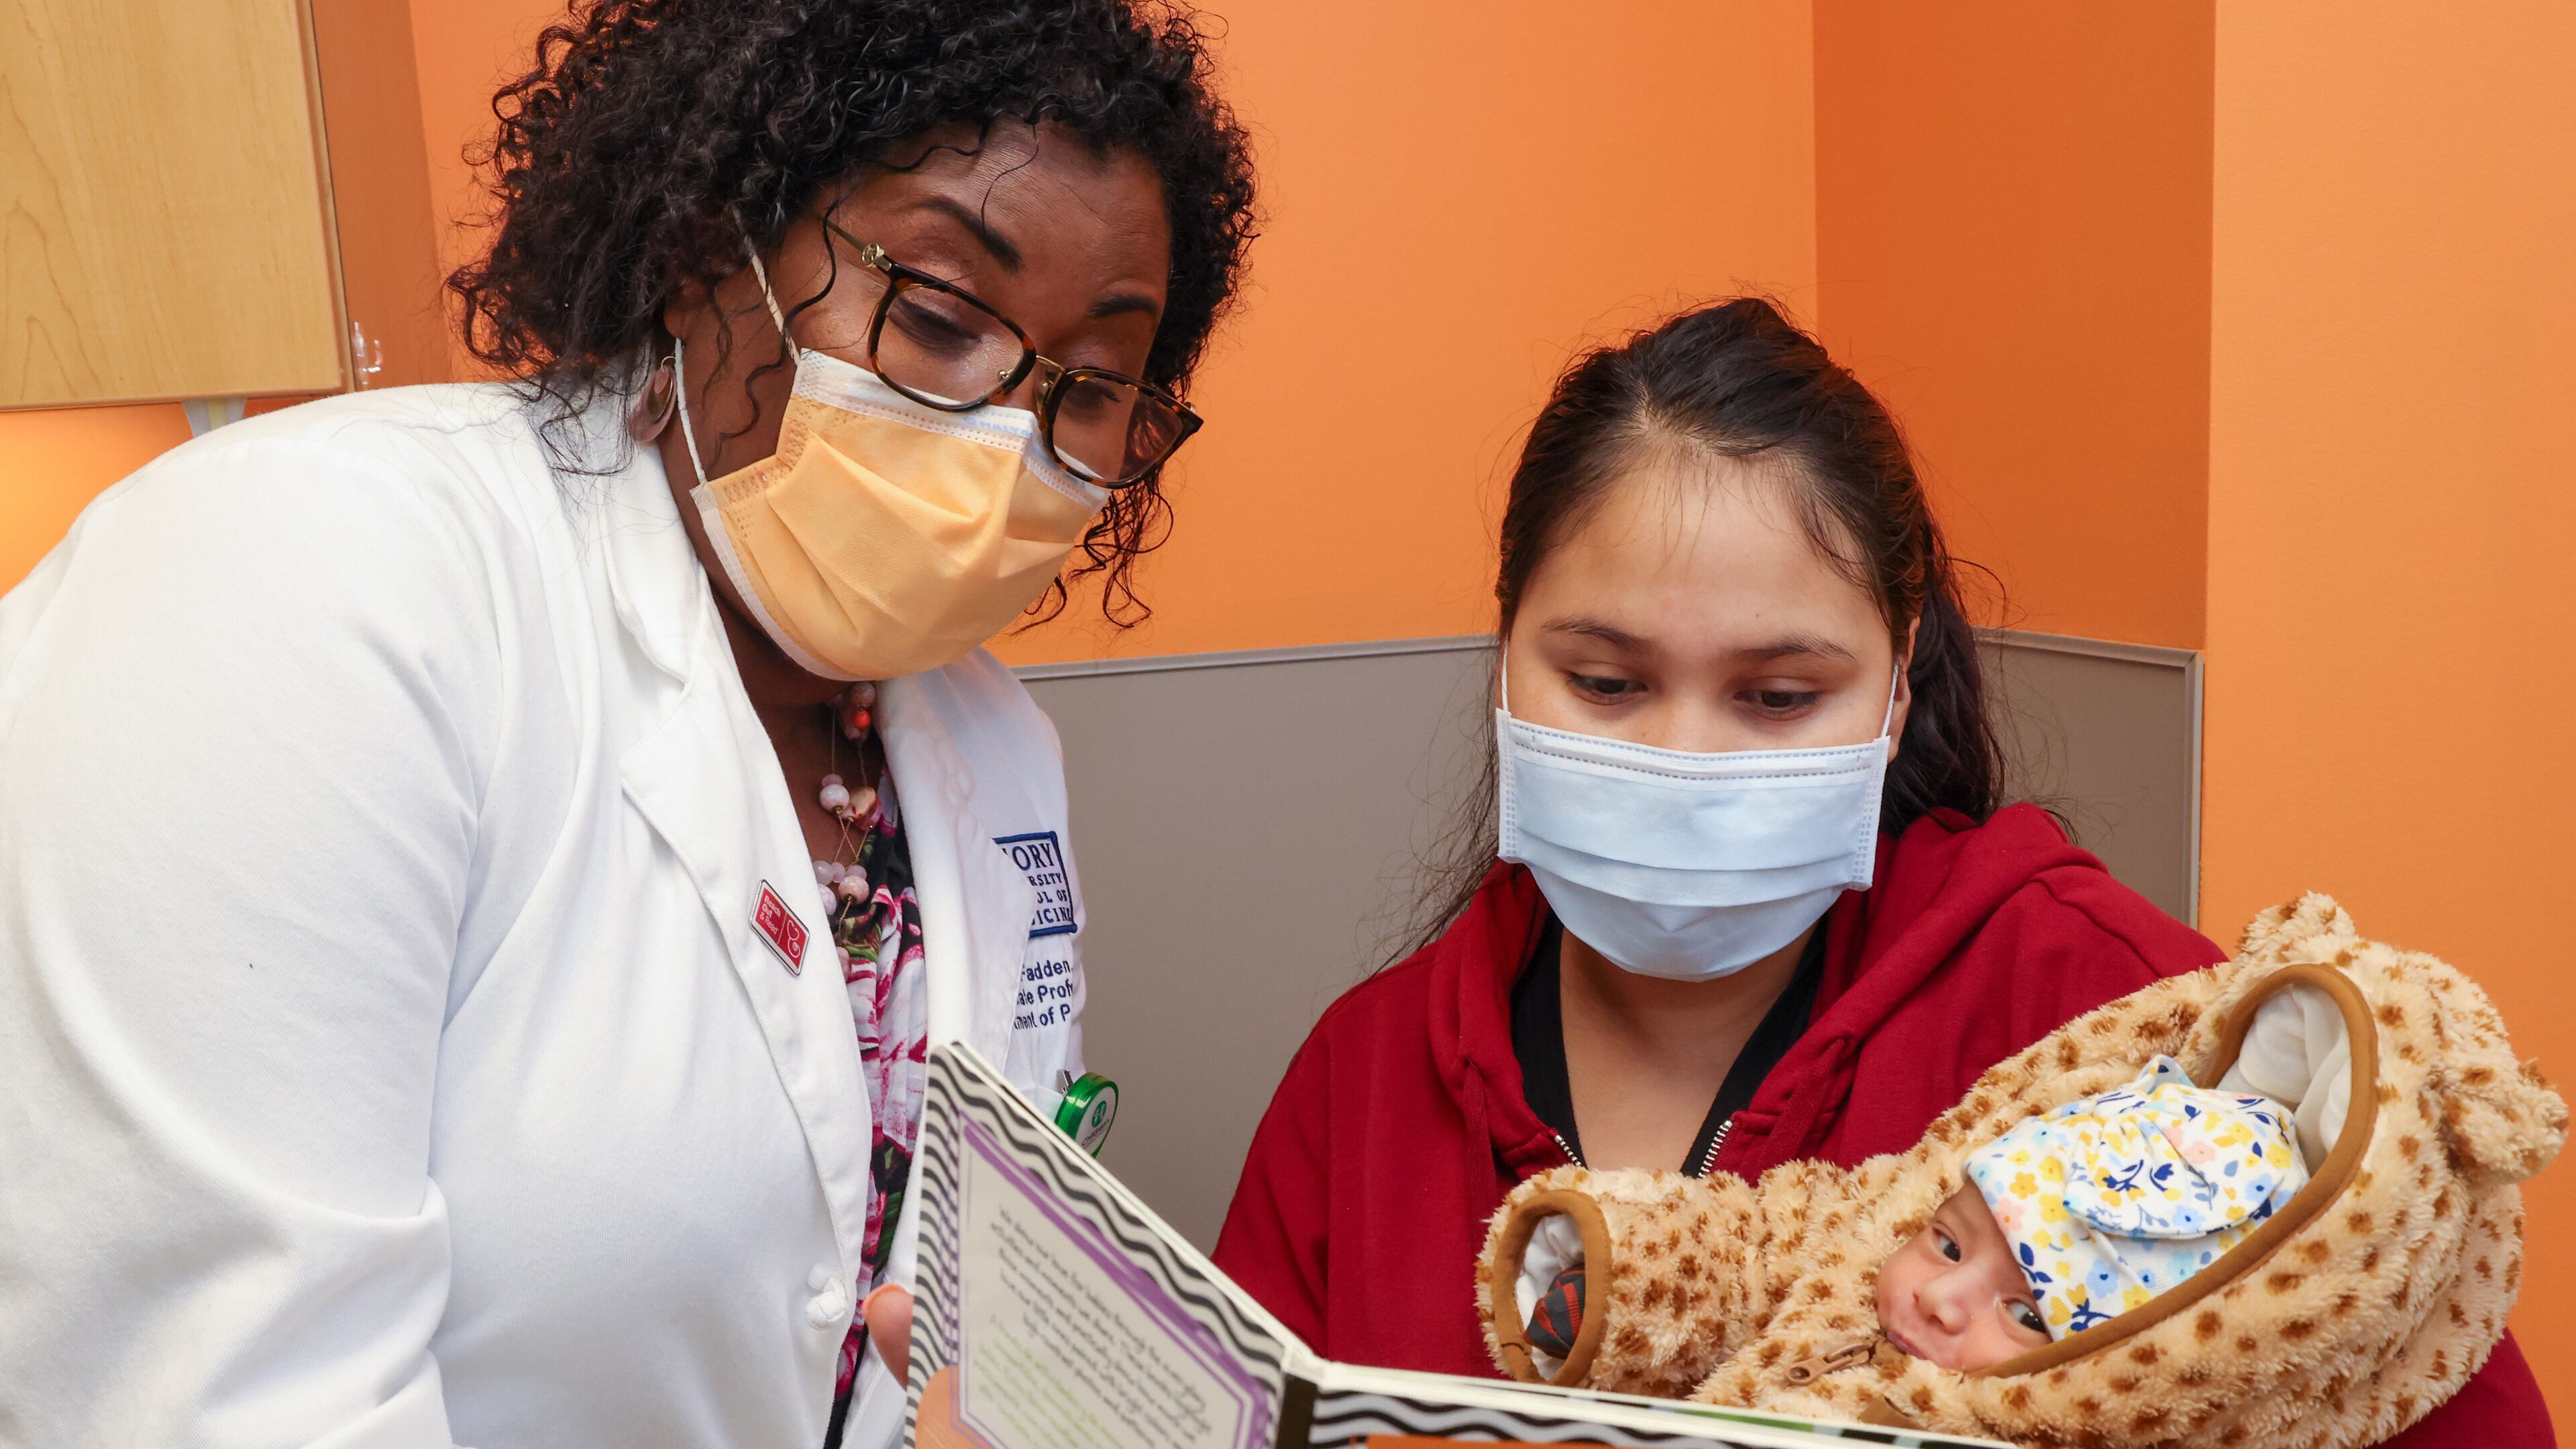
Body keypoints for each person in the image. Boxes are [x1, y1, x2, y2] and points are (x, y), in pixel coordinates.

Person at [0, 3, 1252, 1446]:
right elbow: (216, 1397)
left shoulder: (992, 750)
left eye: (1090, 389)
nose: (1002, 439)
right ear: (707, 256)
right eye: (939, 319)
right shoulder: (307, 577)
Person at [1209, 299, 2547, 1442]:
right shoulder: (1367, 1077)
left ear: (1899, 683)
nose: (1686, 760)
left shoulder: (2112, 1020)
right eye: (1606, 682)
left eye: (1781, 696)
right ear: (1507, 655)